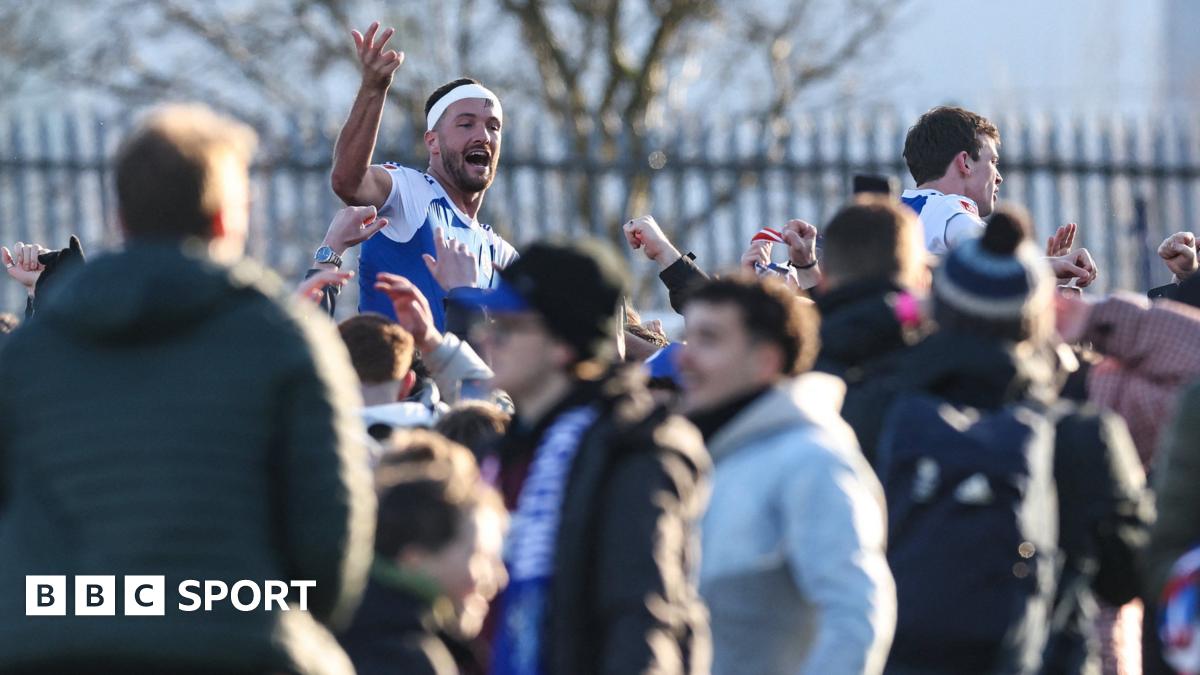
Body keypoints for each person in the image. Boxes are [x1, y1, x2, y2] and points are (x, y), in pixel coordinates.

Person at [0, 104, 376, 675]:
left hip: (54, 647)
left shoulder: (28, 355)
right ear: (225, 222)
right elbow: (331, 560)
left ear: (121, 219)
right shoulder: (285, 343)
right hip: (237, 647)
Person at [859, 209, 1147, 674]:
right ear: (1037, 321)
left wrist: (901, 312)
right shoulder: (1082, 435)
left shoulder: (876, 413)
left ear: (939, 311)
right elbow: (1126, 578)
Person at [410, 239, 711, 675]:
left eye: (508, 326)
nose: (488, 337)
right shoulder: (504, 450)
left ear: (563, 344)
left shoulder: (635, 448)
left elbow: (643, 618)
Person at [676, 274, 895, 675]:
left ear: (766, 360)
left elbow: (855, 617)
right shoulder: (708, 456)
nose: (683, 359)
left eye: (709, 340)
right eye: (688, 338)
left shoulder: (812, 460)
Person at [330, 22, 517, 330]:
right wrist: (374, 89)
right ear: (433, 142)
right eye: (466, 124)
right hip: (395, 363)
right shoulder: (410, 193)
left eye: (493, 127)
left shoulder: (501, 254)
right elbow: (348, 182)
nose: (483, 136)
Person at [340, 430, 507, 675]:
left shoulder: (340, 627)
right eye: (478, 556)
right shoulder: (405, 659)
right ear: (413, 559)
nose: (498, 578)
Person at [900, 107, 1098, 287]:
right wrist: (1047, 266)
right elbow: (992, 256)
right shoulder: (950, 210)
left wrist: (1044, 280)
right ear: (965, 163)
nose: (999, 177)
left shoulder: (898, 211)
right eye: (993, 162)